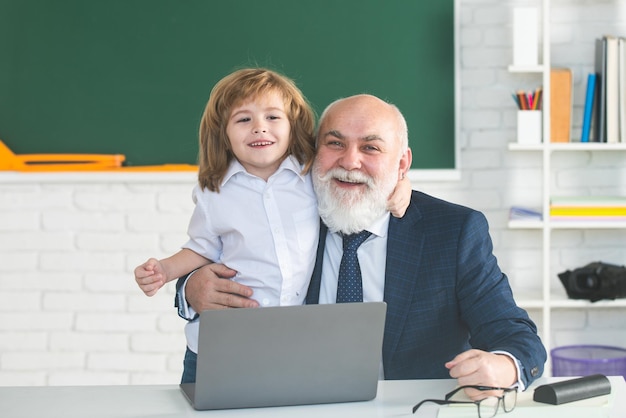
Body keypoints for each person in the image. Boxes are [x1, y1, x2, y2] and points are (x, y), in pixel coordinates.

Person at [177, 93, 547, 396]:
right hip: (292, 404)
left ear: (402, 164)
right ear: (311, 154)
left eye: (370, 148)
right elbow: (212, 252)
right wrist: (190, 288)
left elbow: (514, 334)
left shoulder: (454, 231)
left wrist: (502, 366)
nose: (350, 161)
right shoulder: (286, 212)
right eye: (335, 143)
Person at [134, 69, 411, 382]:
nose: (258, 129)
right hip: (222, 346)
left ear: (294, 126)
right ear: (222, 132)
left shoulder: (311, 177)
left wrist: (402, 185)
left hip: (291, 347)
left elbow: (362, 183)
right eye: (243, 120)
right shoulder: (214, 193)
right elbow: (201, 248)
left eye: (272, 118)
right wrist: (166, 270)